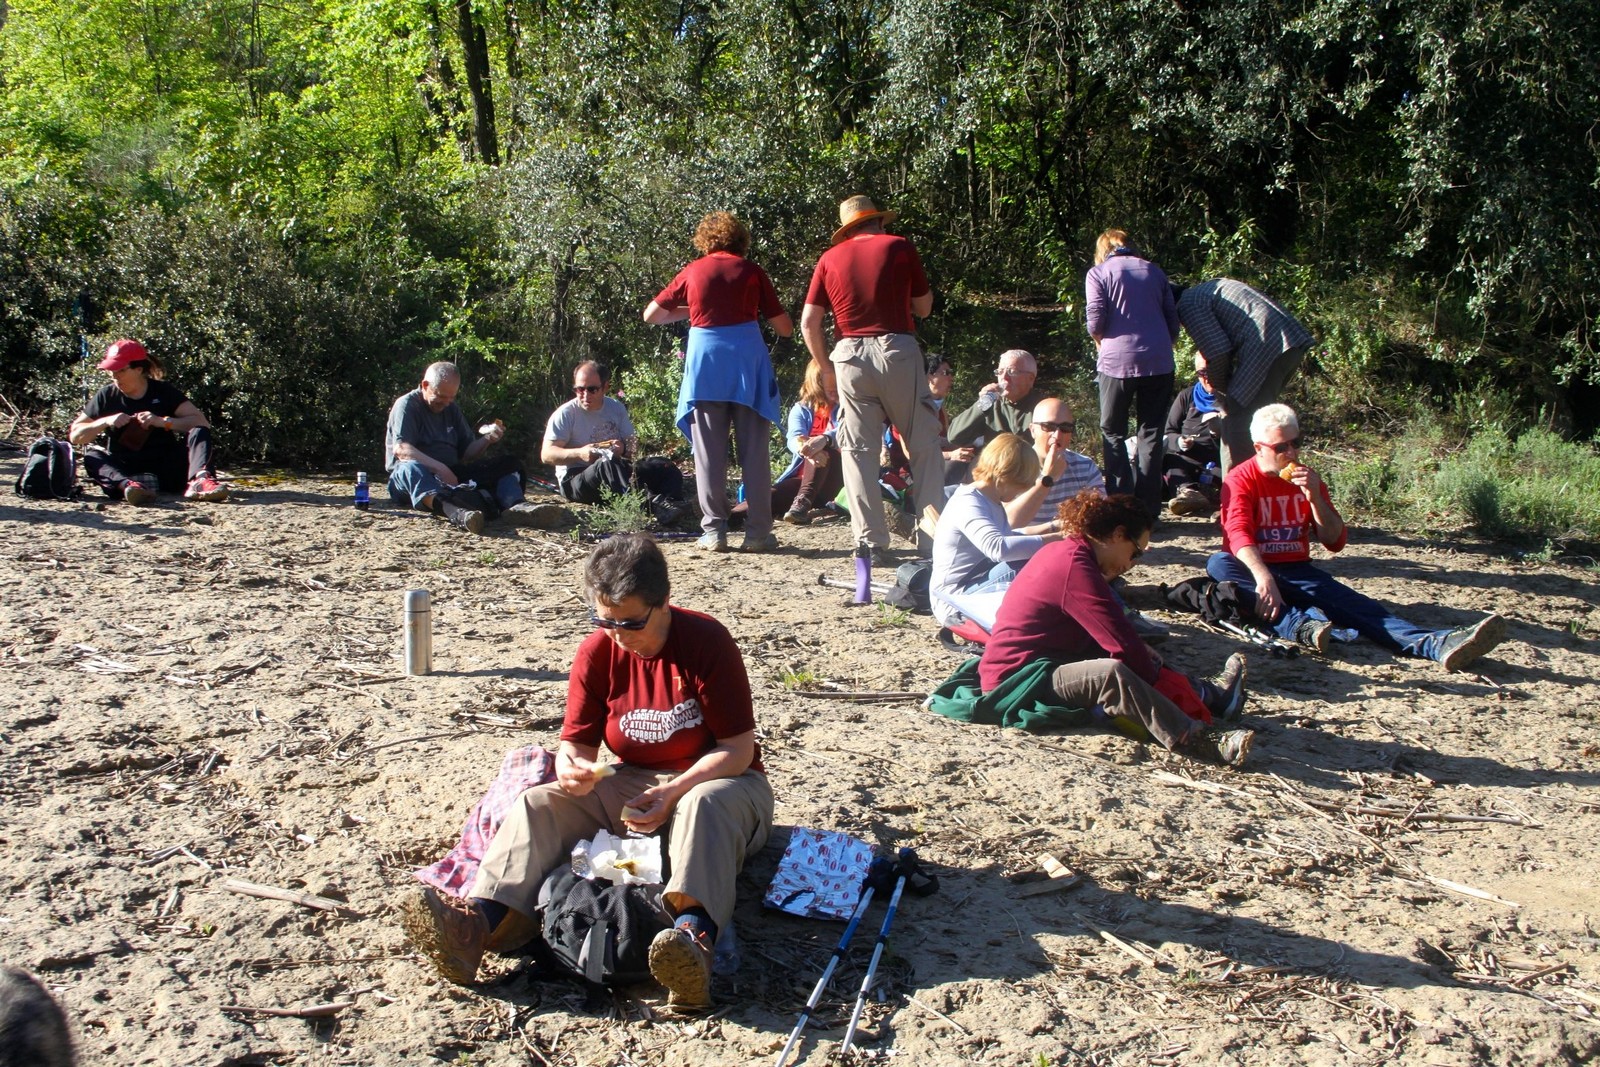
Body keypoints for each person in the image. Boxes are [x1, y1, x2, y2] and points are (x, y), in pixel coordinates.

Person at [400, 534, 773, 1009]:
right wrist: (571, 767)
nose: (617, 634)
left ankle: (692, 943)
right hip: (634, 782)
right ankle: (480, 925)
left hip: (723, 785)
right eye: (604, 620)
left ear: (663, 602)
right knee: (539, 803)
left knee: (702, 803)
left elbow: (737, 750)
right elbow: (575, 742)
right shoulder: (597, 652)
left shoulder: (706, 641)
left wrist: (676, 790)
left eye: (630, 622)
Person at [1207, 404, 1507, 669]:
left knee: (1360, 608)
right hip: (1252, 571)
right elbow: (1237, 533)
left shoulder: (1308, 479)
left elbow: (1334, 541)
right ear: (1259, 448)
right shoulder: (1241, 479)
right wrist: (1264, 577)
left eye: (1296, 443)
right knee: (1220, 564)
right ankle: (1299, 625)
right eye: (1281, 447)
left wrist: (1315, 498)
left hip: (1296, 569)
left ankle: (1434, 645)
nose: (1291, 453)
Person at [980, 491, 1254, 765]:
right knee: (1111, 673)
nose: (1132, 563)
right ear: (1117, 535)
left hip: (1041, 665)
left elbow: (1115, 634)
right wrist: (1152, 676)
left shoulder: (1071, 553)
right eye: (1135, 552)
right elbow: (1121, 643)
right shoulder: (1074, 566)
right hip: (1018, 683)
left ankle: (1214, 698)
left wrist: (1146, 659)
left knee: (1141, 656)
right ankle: (1196, 738)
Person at [800, 195, 943, 562]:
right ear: (878, 222)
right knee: (923, 443)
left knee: (857, 450)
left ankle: (871, 543)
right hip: (897, 350)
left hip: (849, 356)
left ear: (848, 229)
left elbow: (809, 322)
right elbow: (924, 307)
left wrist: (826, 368)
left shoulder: (829, 258)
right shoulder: (898, 246)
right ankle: (933, 539)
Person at [644, 212, 793, 553]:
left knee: (708, 454)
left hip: (706, 363)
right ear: (741, 240)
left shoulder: (693, 271)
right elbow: (784, 328)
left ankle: (714, 531)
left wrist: (693, 309)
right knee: (754, 452)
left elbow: (651, 315)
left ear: (705, 240)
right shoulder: (752, 272)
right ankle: (758, 533)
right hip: (747, 363)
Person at [1085, 229, 1179, 520]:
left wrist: (1099, 339)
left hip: (1117, 363)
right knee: (1151, 432)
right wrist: (1162, 345)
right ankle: (1148, 511)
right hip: (1159, 361)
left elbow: (1095, 319)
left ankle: (1122, 506)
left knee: (1113, 431)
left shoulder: (1098, 273)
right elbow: (1172, 320)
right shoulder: (1155, 271)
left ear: (1103, 250)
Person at [1176, 278, 1314, 475]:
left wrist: (1220, 390)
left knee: (1236, 421)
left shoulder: (1188, 304)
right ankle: (1268, 488)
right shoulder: (1207, 289)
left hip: (1267, 344)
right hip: (1288, 343)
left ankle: (1237, 492)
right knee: (1259, 424)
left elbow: (1217, 352)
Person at [68, 339, 229, 505]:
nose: (115, 377)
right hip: (125, 468)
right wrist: (105, 421)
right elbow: (75, 436)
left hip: (166, 467)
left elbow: (201, 422)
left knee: (199, 432)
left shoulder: (163, 391)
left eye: (121, 370)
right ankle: (130, 488)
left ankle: (201, 481)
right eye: (111, 371)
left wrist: (162, 422)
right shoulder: (106, 396)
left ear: (138, 369)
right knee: (92, 456)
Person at [930, 434, 1063, 627]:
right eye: (1022, 483)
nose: (1022, 490)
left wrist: (1054, 527)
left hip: (975, 585)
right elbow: (998, 548)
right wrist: (1057, 539)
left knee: (1034, 557)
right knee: (1032, 562)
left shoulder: (990, 500)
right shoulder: (968, 501)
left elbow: (1011, 538)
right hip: (954, 601)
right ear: (1008, 475)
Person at [385, 361, 529, 534]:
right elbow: (401, 449)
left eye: (451, 398)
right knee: (411, 468)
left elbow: (468, 452)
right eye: (441, 397)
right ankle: (456, 512)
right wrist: (440, 468)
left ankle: (517, 506)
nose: (446, 403)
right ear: (425, 385)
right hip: (413, 478)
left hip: (452, 475)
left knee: (507, 464)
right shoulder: (407, 405)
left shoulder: (451, 408)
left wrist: (488, 439)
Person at [541, 361, 685, 521]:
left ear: (605, 387)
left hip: (616, 469)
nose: (585, 395)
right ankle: (650, 505)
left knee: (663, 465)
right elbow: (547, 454)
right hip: (576, 478)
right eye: (580, 389)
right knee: (606, 464)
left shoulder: (615, 408)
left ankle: (671, 502)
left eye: (592, 389)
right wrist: (580, 453)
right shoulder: (566, 414)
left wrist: (623, 448)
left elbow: (632, 444)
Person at [1010, 397, 1105, 528]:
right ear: (1032, 430)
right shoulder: (1013, 466)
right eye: (1048, 427)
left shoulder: (1085, 466)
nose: (1057, 435)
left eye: (1065, 428)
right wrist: (1046, 479)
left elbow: (1100, 518)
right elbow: (1008, 523)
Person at [772, 359, 844, 525]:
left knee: (825, 449)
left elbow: (848, 431)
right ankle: (728, 517)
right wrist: (808, 450)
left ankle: (803, 502)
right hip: (805, 478)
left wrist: (824, 440)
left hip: (838, 478)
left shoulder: (847, 406)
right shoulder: (801, 409)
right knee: (771, 496)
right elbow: (794, 438)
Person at [944, 349, 1047, 450]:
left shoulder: (1044, 408)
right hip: (994, 461)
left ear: (1031, 378)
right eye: (1000, 372)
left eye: (1012, 372)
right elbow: (954, 437)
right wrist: (982, 404)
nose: (1004, 377)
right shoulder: (990, 404)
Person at [1162, 354, 1224, 516]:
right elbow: (1169, 432)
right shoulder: (1187, 396)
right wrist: (1181, 442)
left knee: (1233, 472)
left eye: (1211, 371)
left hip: (1218, 461)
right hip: (1188, 459)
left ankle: (1222, 503)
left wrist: (1217, 434)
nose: (1207, 377)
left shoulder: (1230, 397)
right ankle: (1188, 495)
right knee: (1171, 461)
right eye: (1202, 373)